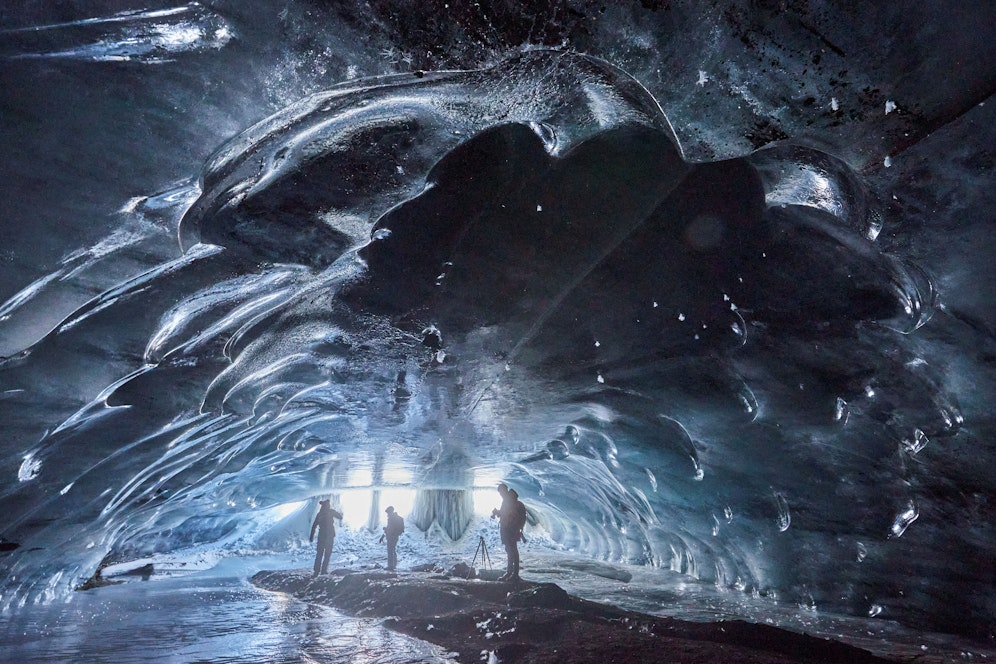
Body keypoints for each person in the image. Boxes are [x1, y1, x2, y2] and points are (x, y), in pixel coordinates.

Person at [491, 483, 527, 581]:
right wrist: (497, 512)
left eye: (501, 492)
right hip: (507, 529)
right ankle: (510, 573)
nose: (501, 494)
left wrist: (518, 528)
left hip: (511, 530)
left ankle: (514, 574)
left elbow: (513, 516)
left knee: (513, 551)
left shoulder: (511, 502)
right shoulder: (507, 501)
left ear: (505, 490)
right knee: (510, 550)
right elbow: (505, 514)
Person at [310, 498, 343, 576]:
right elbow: (340, 517)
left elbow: (314, 525)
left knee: (319, 553)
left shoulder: (319, 514)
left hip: (321, 536)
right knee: (327, 554)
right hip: (329, 536)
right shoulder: (331, 512)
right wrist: (340, 513)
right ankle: (323, 570)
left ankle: (316, 571)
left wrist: (311, 536)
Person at [381, 505, 405, 571]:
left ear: (390, 511)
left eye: (388, 512)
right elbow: (389, 528)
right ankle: (394, 565)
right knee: (393, 550)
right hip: (393, 536)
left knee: (390, 551)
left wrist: (389, 532)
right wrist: (384, 534)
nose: (387, 514)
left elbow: (390, 529)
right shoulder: (395, 518)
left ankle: (391, 566)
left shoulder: (392, 519)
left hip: (392, 537)